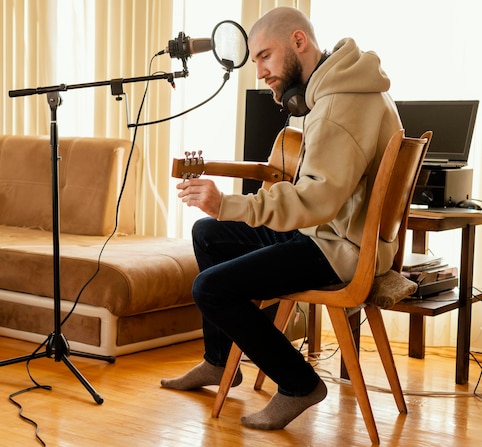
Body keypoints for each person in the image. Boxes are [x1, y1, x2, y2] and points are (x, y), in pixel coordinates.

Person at [160, 6, 402, 431]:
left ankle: (298, 383)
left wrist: (227, 204)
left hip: (336, 249)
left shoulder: (337, 106)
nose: (260, 72)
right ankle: (220, 362)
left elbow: (315, 201)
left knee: (210, 289)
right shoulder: (344, 88)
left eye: (265, 57)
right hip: (328, 235)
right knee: (208, 234)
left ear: (298, 42)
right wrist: (223, 213)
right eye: (255, 61)